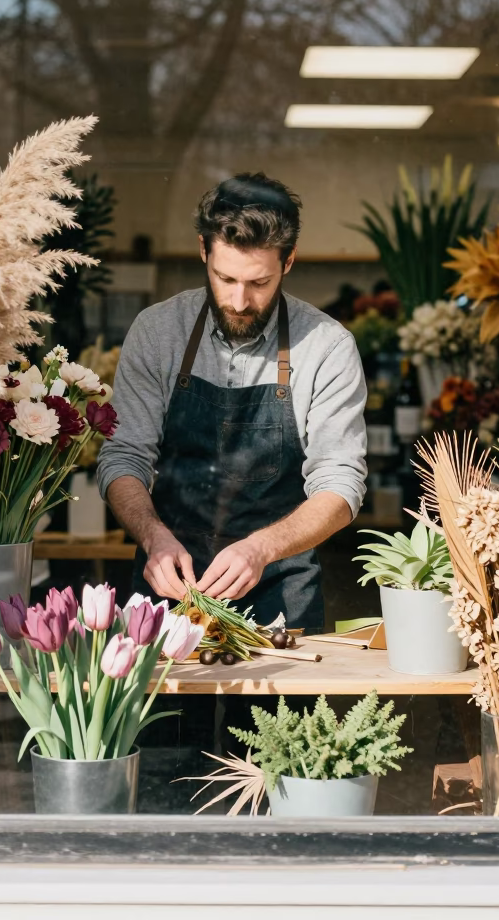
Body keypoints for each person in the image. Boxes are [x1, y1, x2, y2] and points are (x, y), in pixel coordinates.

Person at [96, 172, 367, 630]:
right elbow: (123, 456)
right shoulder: (157, 332)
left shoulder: (327, 346)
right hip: (170, 582)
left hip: (282, 587)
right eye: (225, 278)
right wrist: (152, 536)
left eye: (259, 282)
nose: (240, 300)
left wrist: (262, 548)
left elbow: (341, 484)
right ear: (204, 252)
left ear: (289, 262)